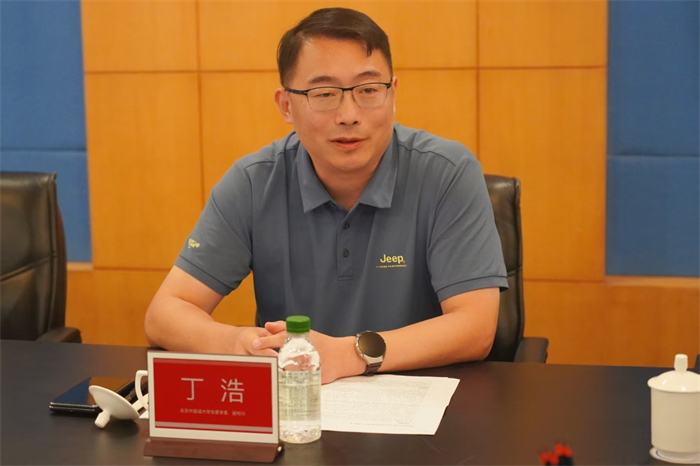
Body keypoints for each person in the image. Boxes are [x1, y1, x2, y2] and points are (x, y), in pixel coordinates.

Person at [144, 7, 507, 384]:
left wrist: (350, 354)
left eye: (368, 90)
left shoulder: (447, 172)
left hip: (422, 402)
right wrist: (236, 343)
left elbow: (476, 327)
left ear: (393, 94)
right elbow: (165, 313)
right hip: (297, 401)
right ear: (286, 106)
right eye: (325, 93)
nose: (349, 114)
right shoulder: (253, 183)